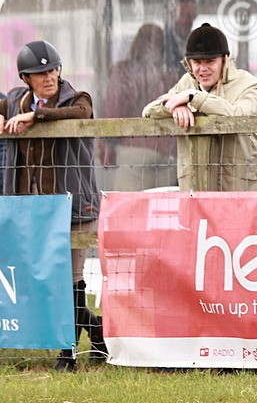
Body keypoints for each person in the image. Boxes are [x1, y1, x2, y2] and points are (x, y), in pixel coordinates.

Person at [0, 40, 105, 371]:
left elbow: (80, 114)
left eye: (53, 70)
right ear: (25, 78)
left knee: (71, 281)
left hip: (75, 208)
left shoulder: (77, 98)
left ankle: (67, 353)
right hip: (35, 212)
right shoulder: (15, 100)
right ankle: (98, 330)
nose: (49, 77)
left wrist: (37, 116)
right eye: (39, 73)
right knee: (47, 280)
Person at [143, 23, 257, 192]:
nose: (203, 68)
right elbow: (149, 111)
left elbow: (238, 116)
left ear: (224, 60)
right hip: (199, 187)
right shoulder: (186, 82)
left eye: (210, 61)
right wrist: (176, 107)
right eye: (197, 62)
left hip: (247, 187)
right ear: (188, 63)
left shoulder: (251, 84)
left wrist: (193, 97)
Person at [103, 23, 178, 190]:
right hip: (170, 154)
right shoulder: (171, 74)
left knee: (130, 211)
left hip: (134, 152)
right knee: (164, 212)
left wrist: (107, 147)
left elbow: (114, 113)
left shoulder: (123, 71)